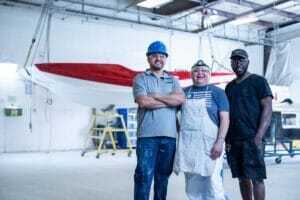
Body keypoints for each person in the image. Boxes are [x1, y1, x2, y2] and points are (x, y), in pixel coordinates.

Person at [132, 41, 185, 200]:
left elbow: (180, 100)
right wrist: (169, 100)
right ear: (148, 58)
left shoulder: (173, 80)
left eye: (162, 56)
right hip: (147, 136)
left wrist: (154, 95)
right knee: (144, 175)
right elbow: (143, 102)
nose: (158, 59)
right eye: (154, 56)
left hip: (169, 137)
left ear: (165, 59)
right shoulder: (140, 78)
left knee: (163, 177)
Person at [173, 60, 230, 200]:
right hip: (189, 146)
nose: (200, 73)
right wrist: (181, 132)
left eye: (204, 71)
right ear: (192, 75)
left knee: (213, 181)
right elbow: (173, 114)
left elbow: (225, 119)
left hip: (211, 144)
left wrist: (220, 141)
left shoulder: (218, 93)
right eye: (196, 71)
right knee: (192, 183)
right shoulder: (183, 93)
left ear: (209, 74)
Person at [225, 49, 273, 200]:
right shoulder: (230, 87)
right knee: (242, 177)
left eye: (241, 60)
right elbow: (227, 115)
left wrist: (259, 135)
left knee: (256, 177)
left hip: (252, 137)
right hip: (235, 140)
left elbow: (268, 107)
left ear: (248, 62)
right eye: (234, 60)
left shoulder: (258, 81)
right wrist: (227, 139)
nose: (238, 63)